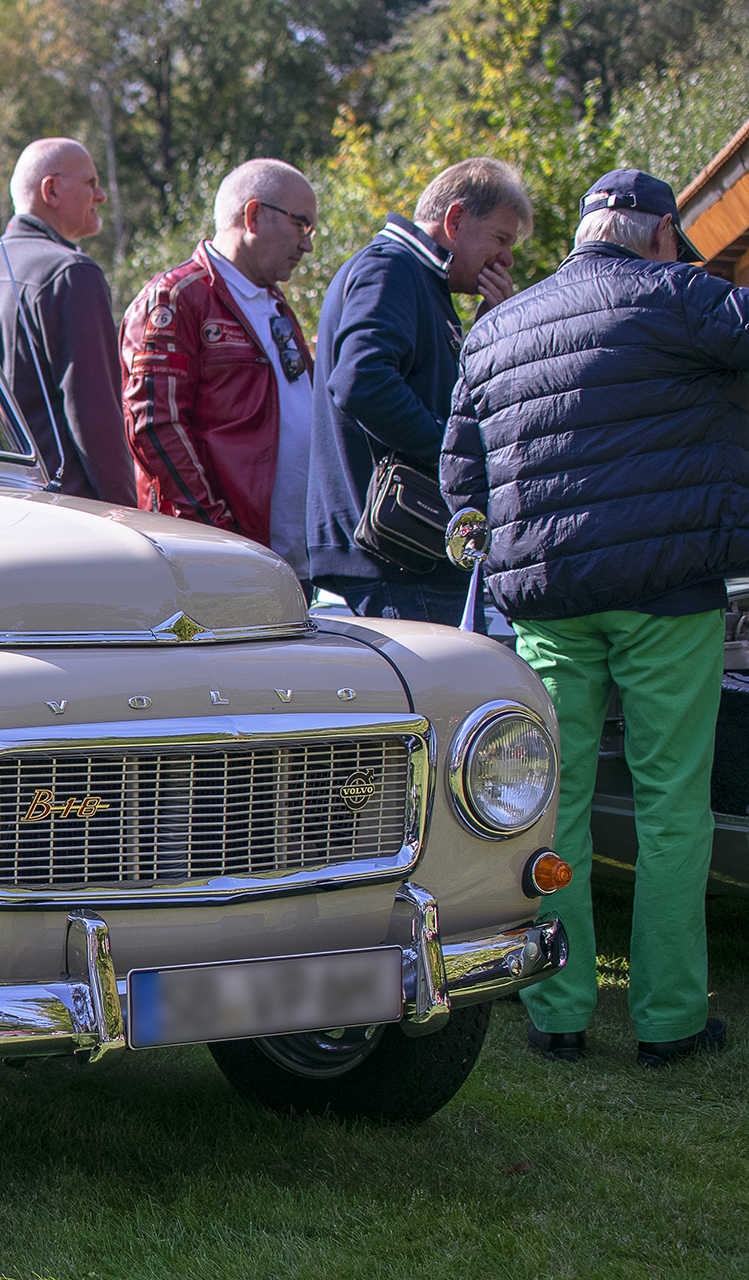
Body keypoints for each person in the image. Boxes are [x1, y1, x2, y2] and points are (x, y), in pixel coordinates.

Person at [442, 168, 749, 1069]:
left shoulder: (497, 326)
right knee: (671, 811)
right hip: (667, 593)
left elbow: (462, 472)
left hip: (546, 600)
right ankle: (667, 1019)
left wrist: (491, 556)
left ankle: (559, 1010)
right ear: (660, 235)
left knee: (550, 809)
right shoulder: (688, 299)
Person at [308, 157, 531, 623]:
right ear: (455, 220)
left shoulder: (419, 280)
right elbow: (361, 381)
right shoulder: (393, 268)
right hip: (394, 559)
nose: (508, 259)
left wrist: (492, 333)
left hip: (405, 558)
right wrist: (452, 455)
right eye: (501, 239)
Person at [120, 158, 317, 586]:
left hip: (287, 560)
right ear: (253, 215)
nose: (308, 246)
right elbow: (154, 425)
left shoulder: (275, 303)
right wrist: (217, 533)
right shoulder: (176, 297)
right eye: (302, 226)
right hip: (217, 561)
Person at [0, 138, 136, 504]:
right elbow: (97, 421)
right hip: (66, 518)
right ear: (50, 190)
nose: (101, 195)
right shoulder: (72, 274)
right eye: (90, 183)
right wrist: (129, 518)